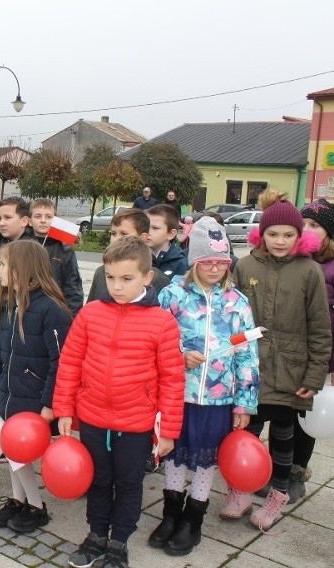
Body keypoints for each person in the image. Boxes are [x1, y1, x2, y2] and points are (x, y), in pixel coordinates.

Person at [54, 236, 185, 568]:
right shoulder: (90, 314)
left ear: (147, 276)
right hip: (94, 418)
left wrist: (167, 431)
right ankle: (97, 534)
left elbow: (172, 379)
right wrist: (65, 408)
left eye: (126, 278)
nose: (116, 286)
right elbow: (70, 363)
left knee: (128, 485)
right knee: (97, 480)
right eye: (110, 277)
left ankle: (118, 542)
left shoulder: (162, 322)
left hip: (136, 424)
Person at [151, 216, 259, 555]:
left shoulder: (237, 303)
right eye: (206, 261)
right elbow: (155, 340)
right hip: (176, 395)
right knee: (174, 456)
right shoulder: (172, 296)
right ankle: (171, 514)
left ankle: (193, 520)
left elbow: (247, 355)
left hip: (219, 400)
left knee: (204, 460)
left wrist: (245, 404)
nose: (214, 268)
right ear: (193, 261)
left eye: (221, 262)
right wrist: (181, 354)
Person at [226, 190, 331, 531]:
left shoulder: (310, 271)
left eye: (288, 234)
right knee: (247, 432)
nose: (280, 240)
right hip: (250, 369)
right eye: (273, 234)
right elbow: (232, 320)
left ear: (300, 236)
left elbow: (319, 328)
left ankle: (278, 495)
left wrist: (314, 377)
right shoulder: (245, 265)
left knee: (283, 436)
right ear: (261, 234)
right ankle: (241, 488)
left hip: (290, 369)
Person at [0, 240, 72, 533]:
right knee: (12, 450)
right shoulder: (8, 304)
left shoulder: (51, 310)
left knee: (19, 453)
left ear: (24, 269)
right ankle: (18, 500)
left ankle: (35, 507)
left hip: (34, 398)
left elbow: (60, 361)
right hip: (9, 394)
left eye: (4, 264)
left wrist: (51, 403)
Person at [293, 199, 334, 496]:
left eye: (314, 225)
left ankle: (296, 470)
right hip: (290, 351)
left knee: (307, 414)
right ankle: (278, 467)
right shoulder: (294, 261)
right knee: (285, 412)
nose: (305, 230)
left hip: (320, 354)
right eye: (303, 224)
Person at [87, 209, 170, 303]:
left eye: (124, 234)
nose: (116, 239)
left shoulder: (158, 279)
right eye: (113, 233)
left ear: (143, 238)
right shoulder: (101, 272)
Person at [29, 198, 84, 315]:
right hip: (28, 309)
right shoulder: (24, 245)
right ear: (29, 221)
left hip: (55, 311)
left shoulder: (65, 250)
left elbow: (73, 287)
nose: (43, 220)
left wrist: (72, 317)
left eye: (49, 217)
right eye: (38, 216)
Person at [146, 204, 188, 278]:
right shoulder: (136, 258)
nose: (148, 232)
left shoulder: (181, 265)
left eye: (155, 228)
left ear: (171, 234)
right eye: (146, 226)